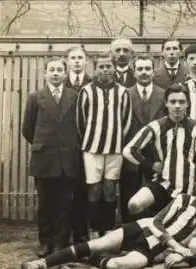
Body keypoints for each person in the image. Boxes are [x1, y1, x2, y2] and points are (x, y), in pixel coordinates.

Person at [20, 171, 196, 269]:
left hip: (153, 250)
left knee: (119, 265)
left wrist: (181, 255)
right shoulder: (184, 199)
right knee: (97, 244)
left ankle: (92, 260)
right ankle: (42, 264)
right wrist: (177, 247)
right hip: (142, 229)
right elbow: (157, 222)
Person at [22, 57, 81, 256]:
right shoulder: (35, 97)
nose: (55, 73)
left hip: (67, 160)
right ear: (45, 74)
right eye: (52, 70)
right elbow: (28, 129)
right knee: (45, 204)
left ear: (65, 74)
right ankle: (45, 242)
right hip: (44, 160)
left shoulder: (74, 96)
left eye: (59, 70)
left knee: (65, 203)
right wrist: (45, 146)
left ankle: (60, 242)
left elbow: (79, 127)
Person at [123, 84, 196, 216]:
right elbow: (129, 150)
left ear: (188, 104)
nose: (177, 106)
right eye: (173, 102)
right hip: (163, 184)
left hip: (188, 189)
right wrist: (150, 165)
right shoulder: (157, 125)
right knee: (134, 204)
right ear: (166, 104)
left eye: (181, 102)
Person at [76, 51, 132, 238]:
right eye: (102, 66)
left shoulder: (123, 92)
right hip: (92, 150)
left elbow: (126, 121)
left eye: (109, 66)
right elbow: (80, 122)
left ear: (114, 68)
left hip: (115, 150)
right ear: (95, 68)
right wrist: (91, 140)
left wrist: (115, 140)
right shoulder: (86, 91)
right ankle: (94, 231)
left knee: (109, 190)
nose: (106, 70)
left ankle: (107, 229)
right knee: (94, 190)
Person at [120, 54, 167, 223]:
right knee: (130, 193)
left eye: (148, 68)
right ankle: (130, 236)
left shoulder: (164, 95)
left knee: (155, 194)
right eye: (140, 69)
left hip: (156, 154)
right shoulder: (124, 94)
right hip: (131, 154)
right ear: (134, 72)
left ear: (153, 72)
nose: (144, 72)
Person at [64, 46, 92, 245]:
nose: (76, 61)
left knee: (83, 192)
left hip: (86, 149)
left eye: (80, 58)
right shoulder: (58, 82)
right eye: (72, 58)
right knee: (63, 193)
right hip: (64, 150)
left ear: (86, 61)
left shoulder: (93, 84)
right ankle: (61, 236)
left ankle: (81, 235)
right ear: (67, 61)